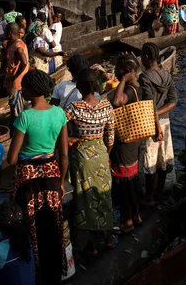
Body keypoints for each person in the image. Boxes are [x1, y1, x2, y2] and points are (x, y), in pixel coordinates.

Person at [7, 69, 68, 284]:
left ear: (32, 90)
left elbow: (12, 158)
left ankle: (36, 273)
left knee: (30, 227)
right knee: (52, 225)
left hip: (28, 177)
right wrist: (61, 184)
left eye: (23, 86)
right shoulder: (59, 113)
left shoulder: (25, 117)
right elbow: (64, 155)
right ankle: (56, 271)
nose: (21, 89)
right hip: (52, 173)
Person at [64, 69, 116, 255]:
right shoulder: (107, 106)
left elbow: (59, 127)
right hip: (101, 155)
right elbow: (110, 138)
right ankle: (108, 237)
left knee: (84, 199)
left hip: (82, 157)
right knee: (103, 195)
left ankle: (89, 246)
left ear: (78, 87)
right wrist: (104, 153)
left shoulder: (74, 107)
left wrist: (71, 138)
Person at [108, 54, 152, 233]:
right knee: (132, 181)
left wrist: (122, 81)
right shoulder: (138, 87)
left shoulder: (128, 89)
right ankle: (137, 216)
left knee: (124, 183)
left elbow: (117, 102)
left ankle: (128, 221)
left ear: (128, 71)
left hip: (125, 143)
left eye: (119, 71)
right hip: (134, 141)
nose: (116, 73)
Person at [139, 43, 176, 205]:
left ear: (146, 57)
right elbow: (173, 101)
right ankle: (159, 192)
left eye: (142, 55)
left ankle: (149, 197)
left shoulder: (145, 77)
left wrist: (156, 122)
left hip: (151, 123)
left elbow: (149, 103)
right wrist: (161, 115)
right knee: (162, 159)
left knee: (150, 162)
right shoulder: (166, 75)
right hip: (165, 120)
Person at [4, 23, 29, 119]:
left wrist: (15, 76)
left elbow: (24, 62)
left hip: (17, 84)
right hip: (14, 83)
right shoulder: (14, 44)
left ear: (10, 33)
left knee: (18, 112)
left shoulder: (18, 46)